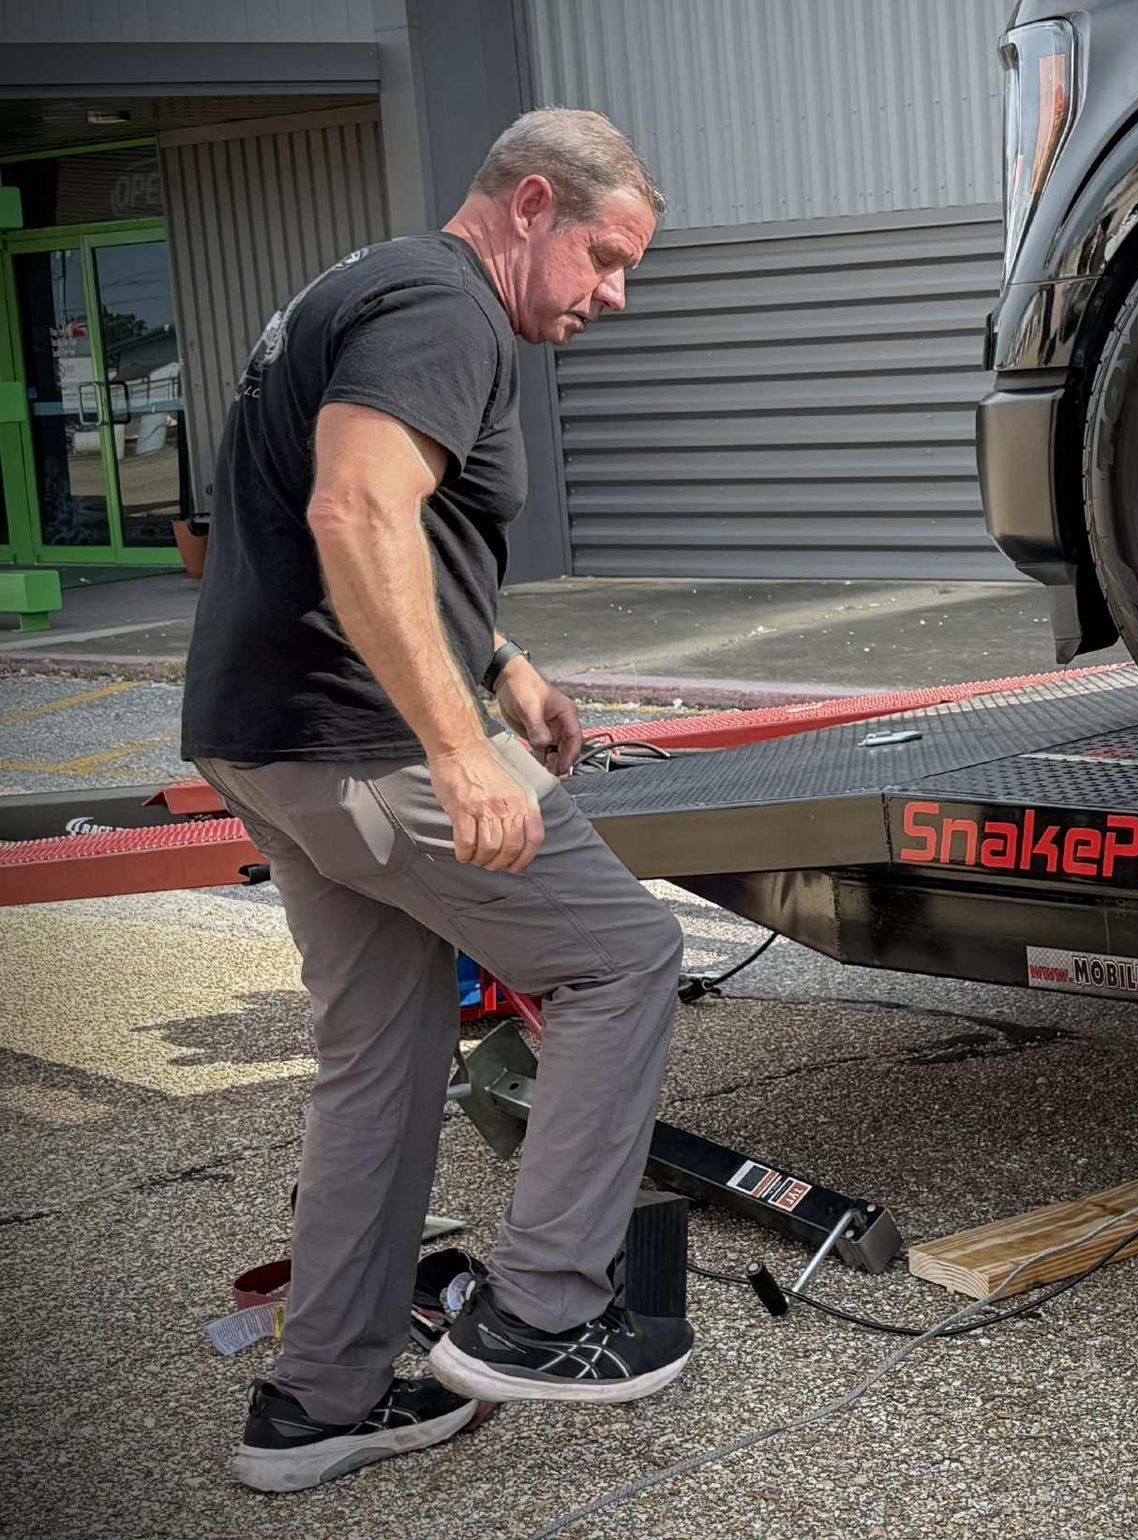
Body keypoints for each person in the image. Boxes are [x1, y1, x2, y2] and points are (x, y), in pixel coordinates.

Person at [181, 108, 692, 1494]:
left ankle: (316, 1404)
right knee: (624, 959)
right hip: (363, 743)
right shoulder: (445, 308)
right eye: (604, 258)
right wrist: (461, 747)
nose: (613, 296)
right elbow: (355, 514)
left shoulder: (361, 290)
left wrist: (507, 663)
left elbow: (351, 518)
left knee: (385, 1058)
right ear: (533, 203)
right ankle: (539, 1314)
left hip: (270, 743)